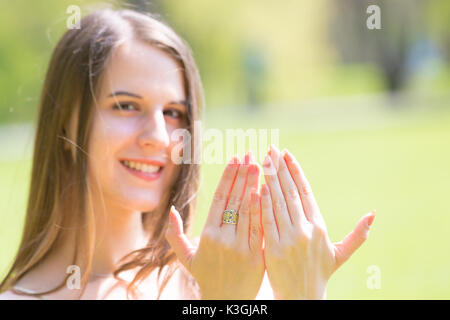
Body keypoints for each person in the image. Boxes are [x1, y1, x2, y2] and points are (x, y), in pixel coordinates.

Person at [0, 8, 375, 300]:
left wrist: (304, 293)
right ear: (66, 122)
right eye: (126, 106)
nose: (160, 136)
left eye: (174, 113)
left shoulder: (225, 273)